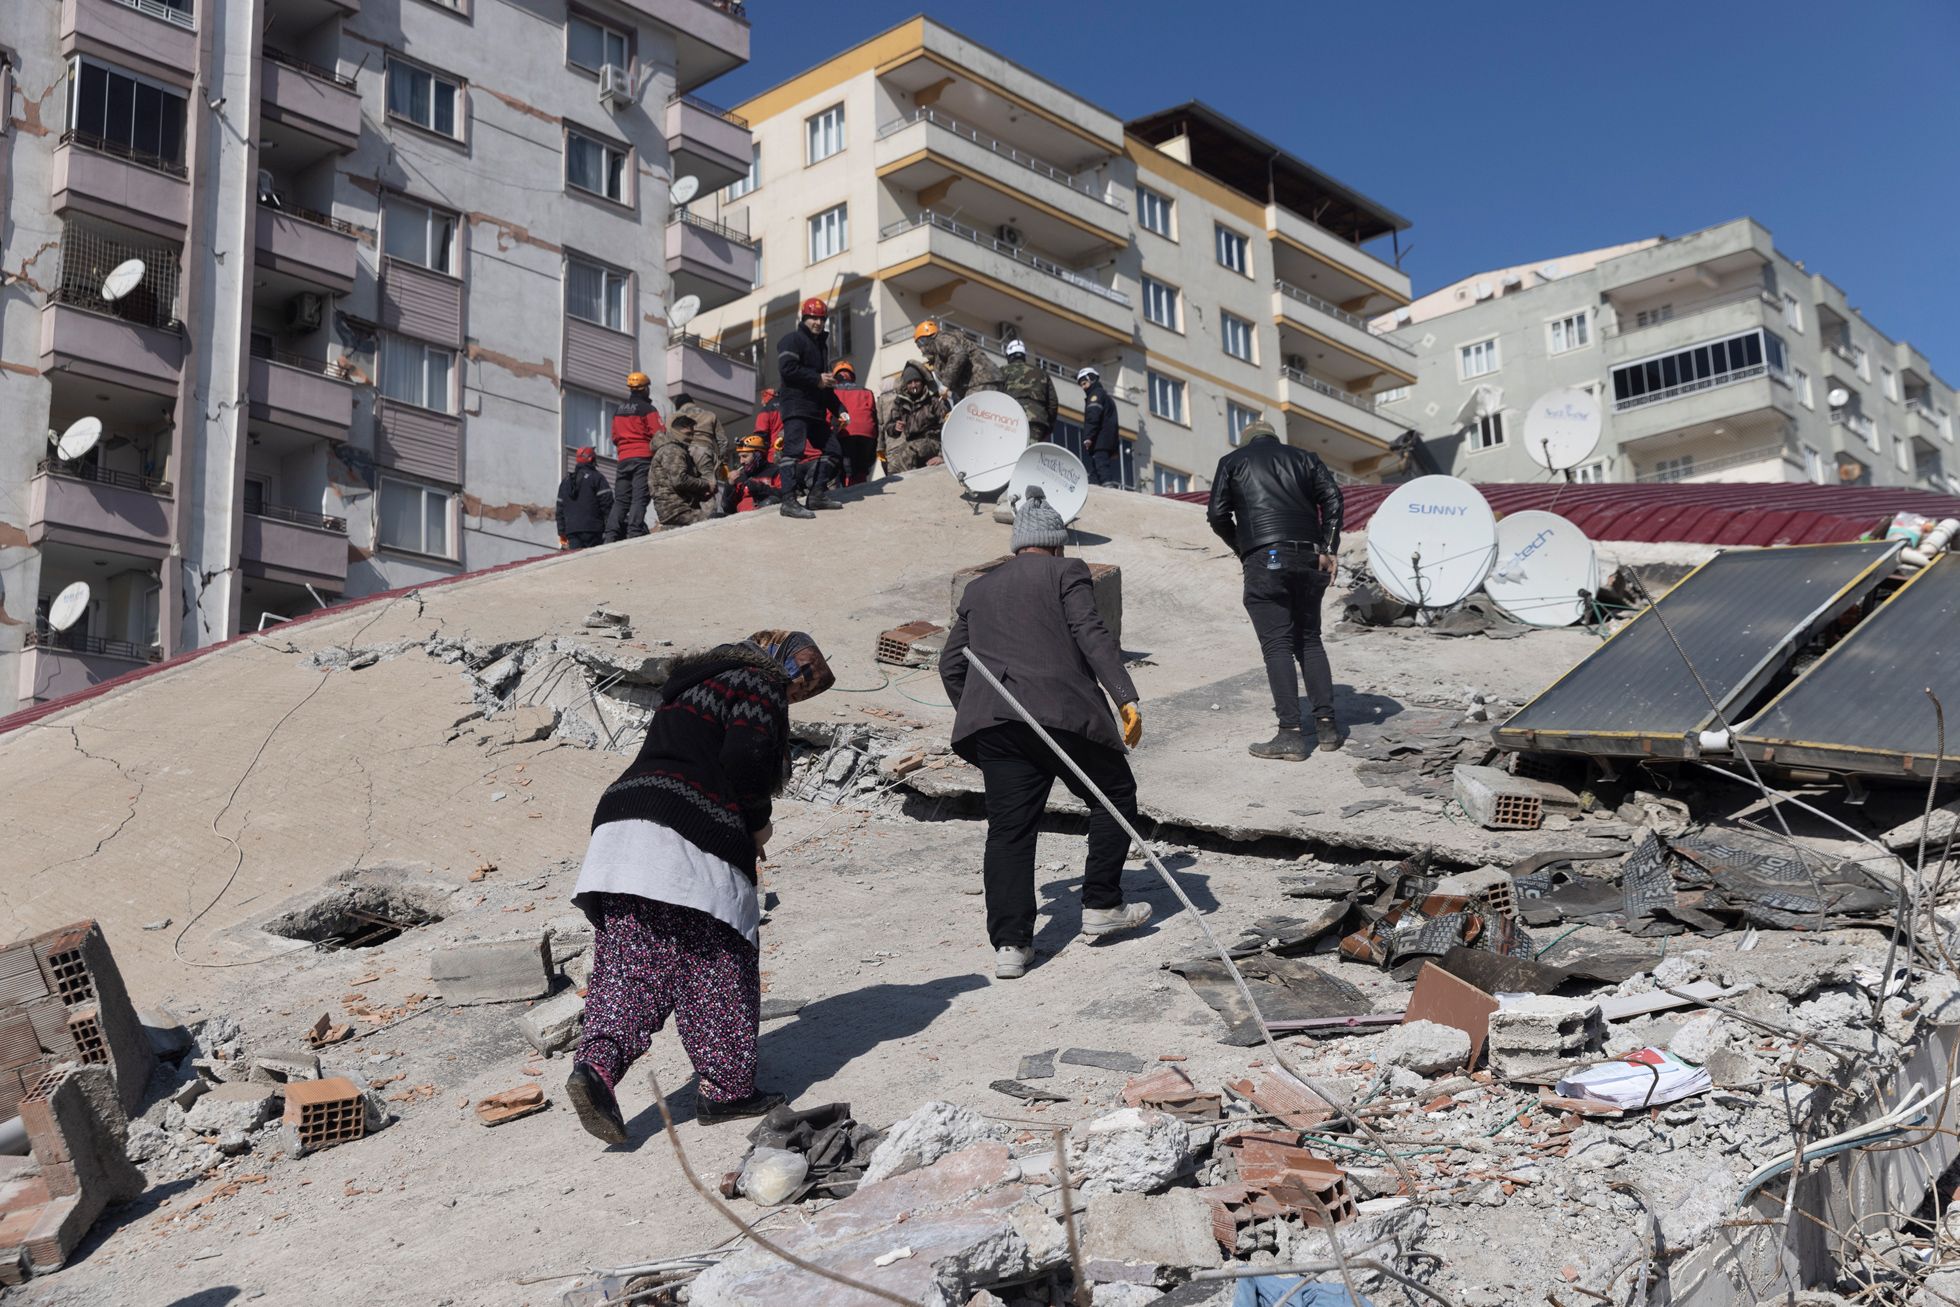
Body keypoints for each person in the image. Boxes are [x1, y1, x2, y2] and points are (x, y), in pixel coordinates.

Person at [565, 630, 836, 1139]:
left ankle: (596, 1067)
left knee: (630, 968)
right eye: (797, 686)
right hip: (688, 831)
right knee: (718, 963)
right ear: (784, 665)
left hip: (623, 828)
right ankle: (726, 1090)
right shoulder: (757, 681)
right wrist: (757, 825)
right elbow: (748, 760)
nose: (791, 697)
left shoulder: (694, 685)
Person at [941, 487, 1152, 980]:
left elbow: (951, 665)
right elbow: (1091, 633)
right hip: (1062, 713)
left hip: (997, 723)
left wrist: (982, 708)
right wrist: (1124, 695)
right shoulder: (1067, 571)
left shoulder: (979, 589)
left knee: (1010, 831)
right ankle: (1101, 905)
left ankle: (1011, 946)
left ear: (1018, 544)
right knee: (1114, 795)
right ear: (1057, 543)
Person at [1205, 419, 1346, 761]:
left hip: (1265, 556)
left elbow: (1217, 514)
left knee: (1277, 645)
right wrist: (1329, 547)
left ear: (1247, 441)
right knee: (1309, 640)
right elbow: (1334, 498)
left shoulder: (1233, 461)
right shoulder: (1306, 458)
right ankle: (1327, 728)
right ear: (1274, 438)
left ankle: (1290, 734)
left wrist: (1243, 548)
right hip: (1309, 555)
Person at [774, 298, 845, 519]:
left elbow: (824, 384)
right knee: (793, 451)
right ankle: (788, 501)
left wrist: (839, 408)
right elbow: (787, 369)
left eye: (821, 319)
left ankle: (816, 495)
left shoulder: (821, 346)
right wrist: (817, 379)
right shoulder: (792, 340)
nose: (818, 322)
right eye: (813, 318)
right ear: (804, 318)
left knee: (833, 450)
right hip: (796, 406)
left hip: (815, 410)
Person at [603, 371, 663, 541]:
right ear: (645, 389)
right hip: (642, 458)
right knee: (639, 498)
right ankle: (634, 533)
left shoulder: (619, 410)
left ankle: (610, 535)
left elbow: (615, 437)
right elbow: (659, 435)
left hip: (623, 459)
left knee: (621, 500)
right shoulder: (648, 409)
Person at [877, 361, 948, 475]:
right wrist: (895, 427)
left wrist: (942, 456)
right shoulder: (900, 402)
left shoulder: (934, 401)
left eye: (916, 381)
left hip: (933, 442)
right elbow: (889, 427)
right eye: (910, 382)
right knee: (894, 463)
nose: (913, 385)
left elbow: (948, 427)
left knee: (909, 452)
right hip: (911, 443)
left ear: (922, 381)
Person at [649, 413, 716, 528]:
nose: (691, 438)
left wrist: (701, 491)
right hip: (676, 510)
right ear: (676, 431)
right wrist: (706, 484)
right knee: (714, 522)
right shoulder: (672, 450)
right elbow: (679, 480)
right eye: (688, 434)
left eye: (692, 434)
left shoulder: (676, 449)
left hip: (679, 507)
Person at [913, 321, 1002, 404]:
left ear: (925, 339)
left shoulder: (940, 339)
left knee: (972, 412)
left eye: (919, 344)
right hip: (982, 381)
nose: (920, 349)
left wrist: (945, 384)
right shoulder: (938, 353)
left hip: (981, 381)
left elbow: (958, 354)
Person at [828, 361, 879, 486]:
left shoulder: (833, 392)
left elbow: (829, 415)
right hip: (867, 432)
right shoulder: (866, 391)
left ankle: (851, 489)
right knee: (862, 469)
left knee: (847, 470)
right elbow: (873, 414)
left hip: (846, 432)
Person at [1000, 339, 1059, 445]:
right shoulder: (1042, 373)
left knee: (1011, 451)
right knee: (1030, 453)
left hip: (1010, 419)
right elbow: (1053, 402)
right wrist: (1047, 423)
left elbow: (995, 396)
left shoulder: (1003, 371)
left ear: (1009, 356)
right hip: (1037, 420)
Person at [556, 446, 613, 550]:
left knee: (577, 558)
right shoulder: (597, 478)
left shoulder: (565, 482)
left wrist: (561, 532)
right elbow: (607, 505)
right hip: (593, 530)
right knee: (593, 558)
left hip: (572, 532)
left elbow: (559, 510)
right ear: (591, 459)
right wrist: (611, 529)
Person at [1077, 367, 1120, 487]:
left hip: (1100, 440)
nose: (1083, 387)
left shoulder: (1096, 395)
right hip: (1105, 439)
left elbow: (1093, 417)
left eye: (1084, 383)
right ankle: (1095, 488)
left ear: (1092, 379)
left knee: (1101, 464)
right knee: (1096, 467)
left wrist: (1088, 437)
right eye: (1081, 385)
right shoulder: (1105, 396)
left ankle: (1108, 487)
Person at [673, 392, 730, 478]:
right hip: (706, 453)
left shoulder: (675, 416)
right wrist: (722, 462)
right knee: (708, 483)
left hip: (686, 454)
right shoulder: (710, 415)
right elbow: (723, 442)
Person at [722, 434, 779, 514]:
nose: (741, 461)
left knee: (769, 502)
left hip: (765, 515)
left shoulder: (775, 471)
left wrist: (760, 488)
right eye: (739, 457)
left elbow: (785, 495)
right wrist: (729, 485)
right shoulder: (740, 477)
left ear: (758, 455)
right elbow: (727, 508)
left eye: (745, 456)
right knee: (714, 516)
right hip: (741, 518)